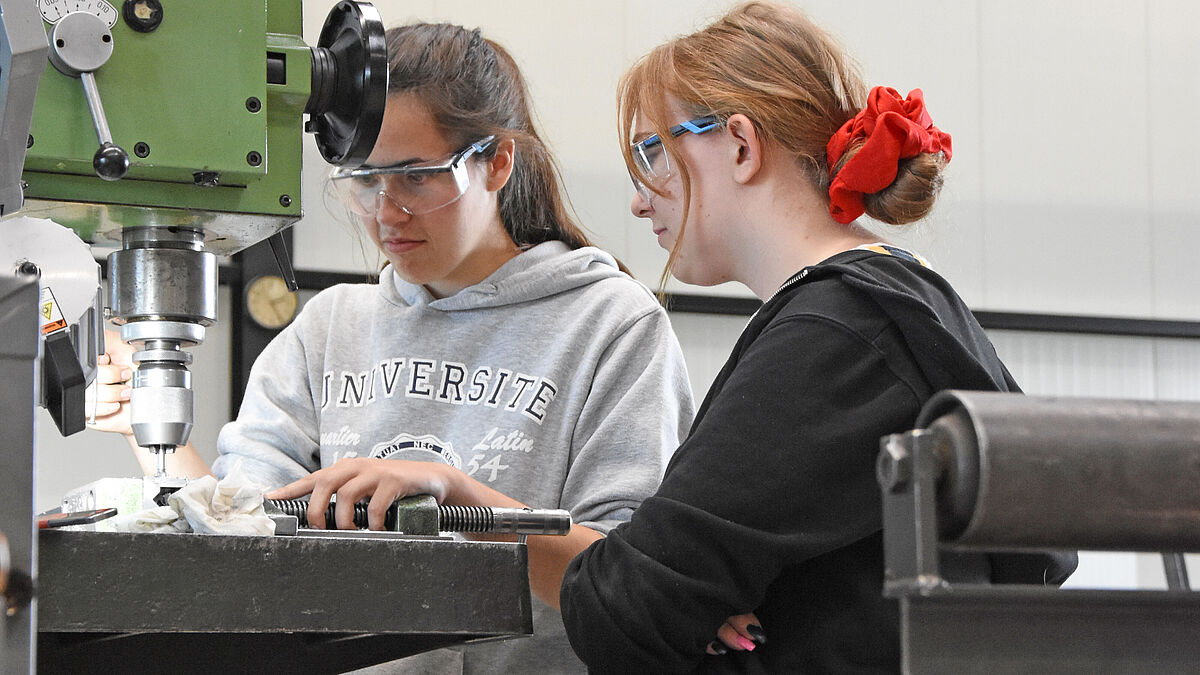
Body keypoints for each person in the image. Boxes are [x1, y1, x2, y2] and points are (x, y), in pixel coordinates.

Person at [89, 22, 694, 674]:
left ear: (497, 162)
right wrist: (144, 424)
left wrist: (458, 495)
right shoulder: (330, 328)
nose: (387, 212)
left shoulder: (611, 327)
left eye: (416, 177)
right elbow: (242, 532)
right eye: (364, 180)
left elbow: (627, 588)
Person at [558, 2, 1078, 672]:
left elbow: (624, 603)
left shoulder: (834, 332)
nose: (638, 198)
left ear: (740, 145)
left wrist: (663, 598)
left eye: (651, 151)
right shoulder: (902, 301)